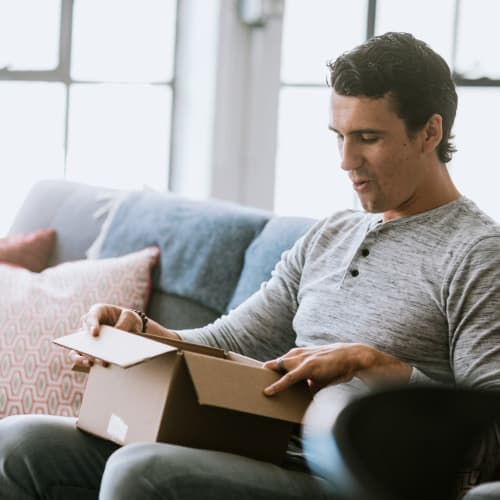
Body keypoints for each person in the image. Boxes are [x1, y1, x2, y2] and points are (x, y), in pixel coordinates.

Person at [1, 31, 500, 500]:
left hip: (355, 480)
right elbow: (230, 342)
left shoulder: (477, 252)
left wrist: (379, 368)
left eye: (368, 137)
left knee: (141, 473)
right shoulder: (330, 234)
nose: (346, 161)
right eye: (339, 136)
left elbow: (489, 428)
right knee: (19, 444)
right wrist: (143, 333)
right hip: (263, 447)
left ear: (429, 131)